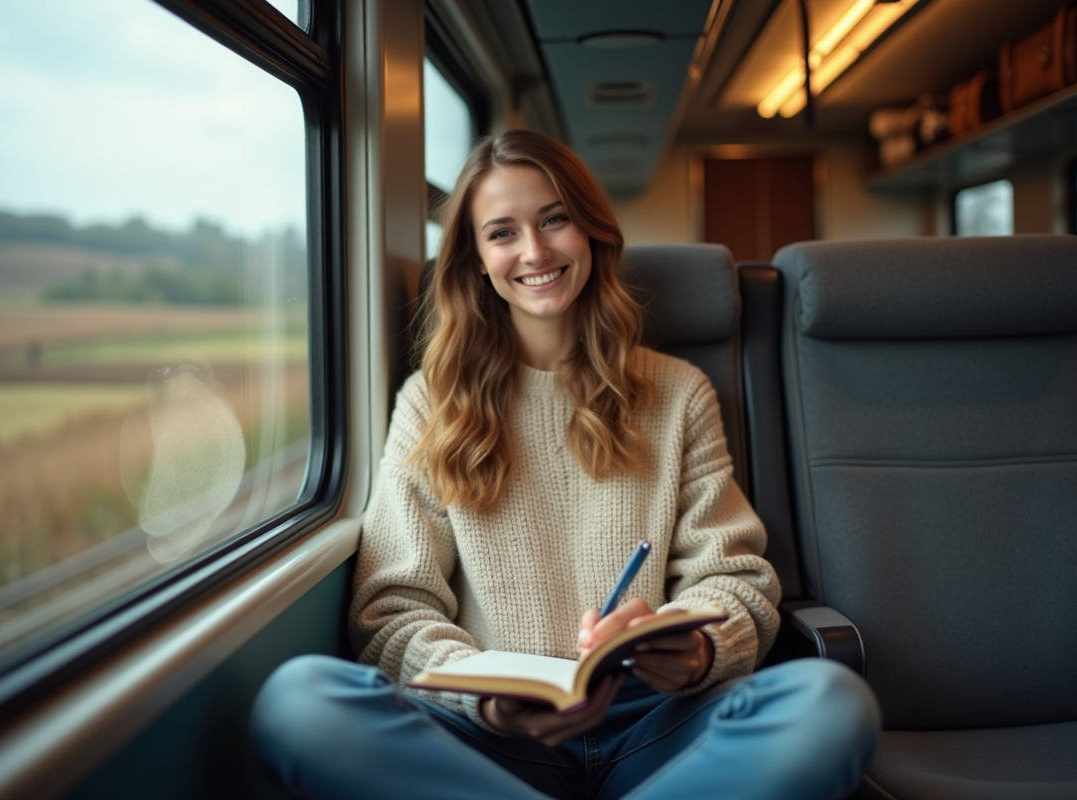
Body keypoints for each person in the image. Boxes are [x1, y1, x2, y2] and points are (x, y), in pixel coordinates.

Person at [251, 129, 880, 800]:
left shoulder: (678, 393)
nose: (535, 251)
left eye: (555, 219)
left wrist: (697, 649)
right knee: (300, 699)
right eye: (502, 233)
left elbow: (735, 579)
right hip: (492, 739)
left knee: (831, 700)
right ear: (477, 261)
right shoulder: (430, 404)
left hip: (656, 722)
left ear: (592, 231)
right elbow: (393, 609)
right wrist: (483, 696)